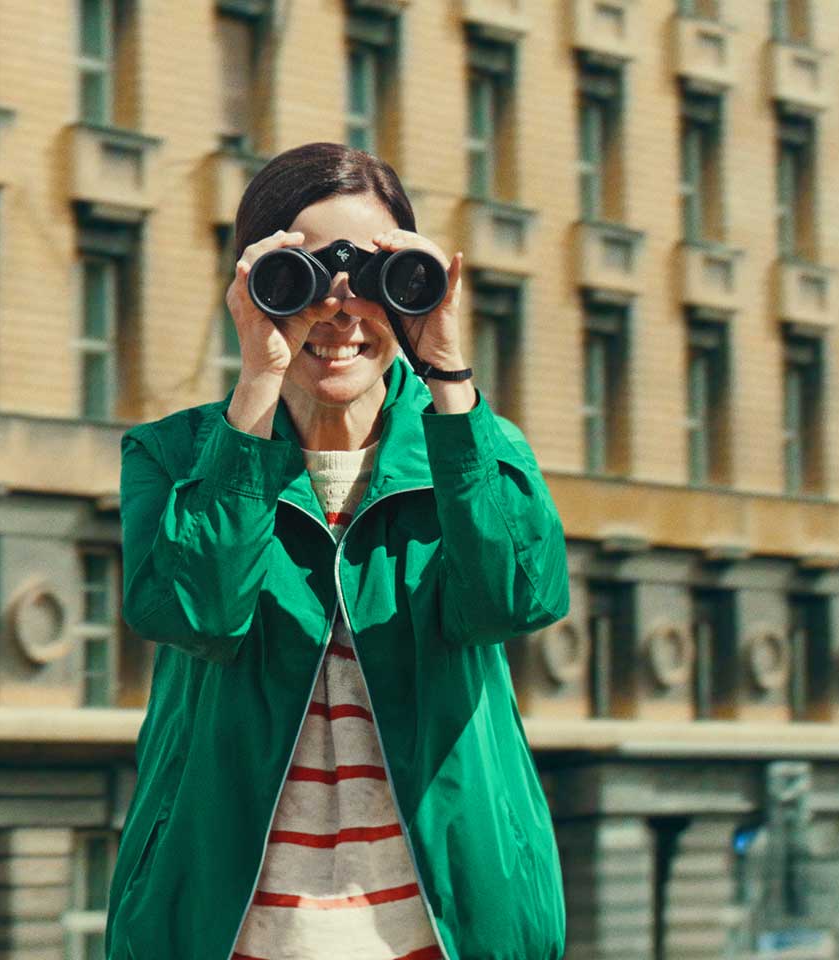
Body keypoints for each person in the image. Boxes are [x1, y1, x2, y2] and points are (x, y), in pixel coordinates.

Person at [104, 141, 570, 960]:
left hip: (441, 935)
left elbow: (517, 601)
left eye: (379, 278)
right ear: (254, 286)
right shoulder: (177, 456)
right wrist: (254, 389)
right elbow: (192, 611)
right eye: (306, 278)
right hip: (236, 937)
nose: (341, 311)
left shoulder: (472, 452)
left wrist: (449, 375)